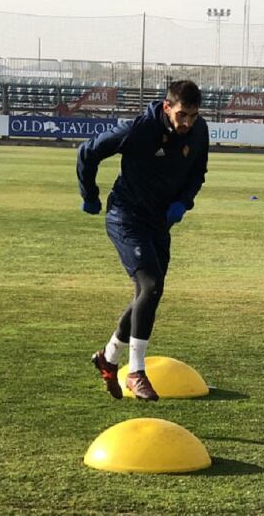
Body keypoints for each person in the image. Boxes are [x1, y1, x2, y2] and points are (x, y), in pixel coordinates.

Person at [76, 80, 209, 400]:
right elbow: (88, 151)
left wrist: (183, 202)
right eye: (181, 115)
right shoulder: (139, 129)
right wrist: (90, 195)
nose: (187, 123)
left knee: (147, 294)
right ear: (167, 108)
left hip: (158, 222)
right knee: (150, 286)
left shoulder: (199, 130)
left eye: (192, 116)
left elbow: (198, 173)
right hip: (126, 217)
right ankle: (135, 372)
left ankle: (108, 358)